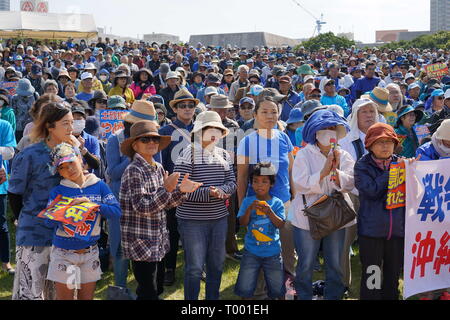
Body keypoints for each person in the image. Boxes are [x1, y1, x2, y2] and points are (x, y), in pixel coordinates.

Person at [119, 120, 201, 300]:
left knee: (155, 290)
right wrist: (168, 189)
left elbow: (165, 203)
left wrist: (180, 191)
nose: (152, 143)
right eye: (146, 140)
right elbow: (142, 206)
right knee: (148, 291)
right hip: (142, 242)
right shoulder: (134, 170)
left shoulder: (157, 168)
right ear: (135, 145)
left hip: (157, 240)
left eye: (155, 140)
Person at [8, 102, 74, 300]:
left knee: (61, 292)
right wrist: (23, 219)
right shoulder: (30, 154)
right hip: (34, 234)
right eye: (65, 124)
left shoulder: (73, 153)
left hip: (66, 233)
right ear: (49, 126)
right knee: (31, 292)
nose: (71, 128)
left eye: (72, 123)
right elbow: (14, 193)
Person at [288, 109, 354, 300]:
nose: (329, 131)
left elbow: (350, 183)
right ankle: (304, 296)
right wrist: (323, 172)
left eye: (333, 127)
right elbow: (300, 184)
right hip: (307, 217)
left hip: (336, 217)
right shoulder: (304, 155)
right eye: (324, 127)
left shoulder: (344, 155)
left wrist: (336, 172)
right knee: (306, 263)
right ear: (315, 131)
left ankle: (333, 296)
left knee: (334, 263)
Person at [45, 142, 121, 300]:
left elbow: (116, 212)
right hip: (64, 254)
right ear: (58, 172)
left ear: (80, 159)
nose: (69, 169)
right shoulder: (57, 191)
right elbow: (48, 223)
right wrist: (63, 212)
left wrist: (93, 205)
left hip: (91, 253)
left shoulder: (99, 185)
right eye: (62, 167)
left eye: (71, 163)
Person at [174, 111, 236, 300]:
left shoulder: (224, 155)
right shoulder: (187, 153)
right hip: (192, 220)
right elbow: (180, 188)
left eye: (217, 130)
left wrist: (223, 191)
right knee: (194, 268)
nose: (213, 134)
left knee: (216, 265)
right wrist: (209, 192)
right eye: (209, 129)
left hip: (219, 219)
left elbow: (232, 182)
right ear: (199, 132)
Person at [237, 96, 296, 291]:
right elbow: (242, 176)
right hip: (258, 205)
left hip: (285, 202)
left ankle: (287, 286)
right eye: (264, 111)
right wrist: (242, 206)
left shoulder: (284, 137)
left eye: (274, 112)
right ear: (255, 115)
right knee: (261, 247)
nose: (270, 115)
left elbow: (291, 170)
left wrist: (294, 197)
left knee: (287, 248)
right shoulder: (248, 141)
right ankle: (260, 290)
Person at [354, 122, 414, 300]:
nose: (385, 146)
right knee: (372, 276)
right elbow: (370, 191)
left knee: (393, 276)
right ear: (370, 144)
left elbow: (415, 193)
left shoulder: (401, 163)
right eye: (380, 142)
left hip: (396, 231)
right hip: (371, 232)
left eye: (389, 141)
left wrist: (410, 169)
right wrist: (393, 173)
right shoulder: (362, 165)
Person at [159, 89, 199, 286]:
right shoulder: (165, 132)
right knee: (172, 232)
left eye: (190, 105)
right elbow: (162, 163)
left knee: (195, 231)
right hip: (174, 189)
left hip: (196, 187)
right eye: (182, 105)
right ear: (174, 108)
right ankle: (169, 269)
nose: (187, 108)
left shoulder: (201, 129)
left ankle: (198, 268)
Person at [234, 163, 286, 300]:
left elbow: (280, 224)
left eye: (264, 181)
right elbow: (242, 223)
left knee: (277, 287)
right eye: (255, 181)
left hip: (273, 253)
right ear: (251, 183)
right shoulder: (247, 201)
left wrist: (270, 212)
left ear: (271, 184)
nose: (259, 185)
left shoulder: (277, 203)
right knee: (245, 287)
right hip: (251, 252)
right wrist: (249, 210)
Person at [0, 118, 16, 275]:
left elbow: (10, 152)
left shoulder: (4, 125)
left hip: (0, 183)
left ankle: (6, 262)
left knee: (1, 224)